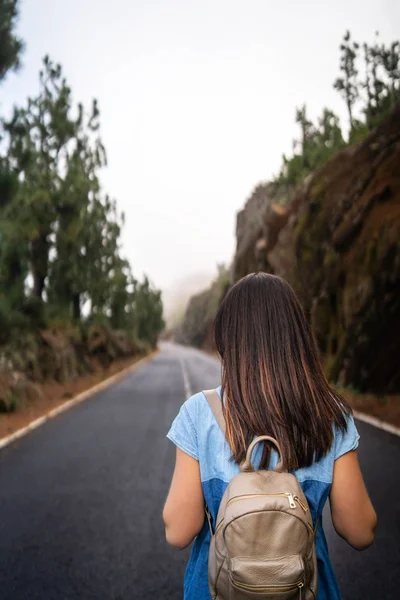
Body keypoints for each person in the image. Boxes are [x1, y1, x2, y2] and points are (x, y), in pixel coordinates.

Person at [163, 272, 377, 600]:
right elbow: (359, 530)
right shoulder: (332, 416)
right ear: (297, 339)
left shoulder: (199, 414)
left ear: (229, 342)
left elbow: (178, 531)